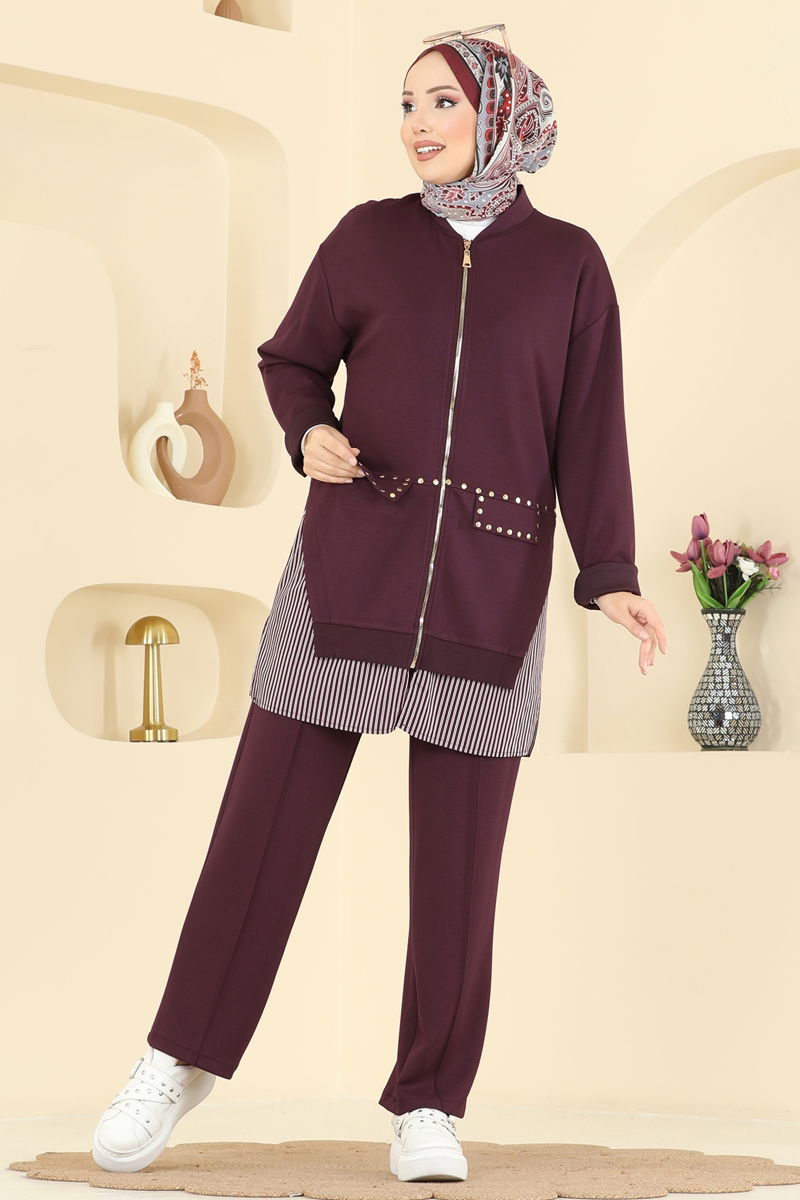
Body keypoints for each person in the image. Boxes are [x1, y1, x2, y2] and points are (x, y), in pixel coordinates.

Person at [91, 24, 667, 1184]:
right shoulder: (364, 238)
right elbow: (290, 359)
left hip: (488, 588)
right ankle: (175, 1060)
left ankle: (428, 1105)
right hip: (349, 565)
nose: (416, 123)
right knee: (258, 833)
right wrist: (308, 430)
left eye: (441, 101)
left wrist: (607, 573)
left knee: (459, 870)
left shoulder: (567, 266)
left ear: (500, 114)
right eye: (405, 103)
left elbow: (588, 428)